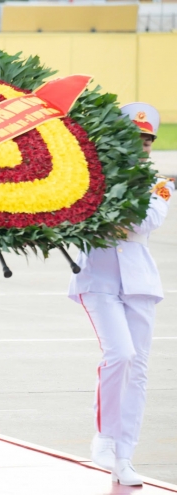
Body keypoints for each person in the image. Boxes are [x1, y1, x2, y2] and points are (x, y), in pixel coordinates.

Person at [70, 102, 174, 487]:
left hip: (140, 282)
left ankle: (125, 454)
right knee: (121, 354)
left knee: (139, 369)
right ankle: (105, 436)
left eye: (147, 141)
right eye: (134, 138)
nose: (141, 146)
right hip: (98, 277)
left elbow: (147, 221)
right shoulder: (90, 175)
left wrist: (109, 205)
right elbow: (78, 215)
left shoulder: (161, 183)